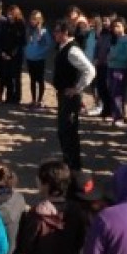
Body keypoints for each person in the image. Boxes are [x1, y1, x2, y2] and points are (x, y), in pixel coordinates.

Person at [50, 19, 96, 171]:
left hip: (70, 96)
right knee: (64, 131)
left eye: (57, 31)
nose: (54, 34)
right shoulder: (64, 47)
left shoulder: (72, 50)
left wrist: (77, 88)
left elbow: (90, 70)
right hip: (64, 94)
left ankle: (73, 165)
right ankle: (68, 161)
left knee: (68, 130)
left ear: (65, 33)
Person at [105, 18, 127, 127]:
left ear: (124, 27)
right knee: (112, 91)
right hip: (111, 67)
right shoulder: (115, 39)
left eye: (118, 26)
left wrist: (114, 57)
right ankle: (114, 114)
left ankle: (120, 116)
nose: (116, 29)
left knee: (118, 93)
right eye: (114, 27)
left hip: (120, 69)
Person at [0, 5, 27, 105]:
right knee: (7, 76)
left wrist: (11, 54)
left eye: (12, 14)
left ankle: (17, 98)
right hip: (5, 53)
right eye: (8, 13)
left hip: (16, 55)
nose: (10, 16)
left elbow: (21, 42)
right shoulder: (5, 24)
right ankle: (9, 96)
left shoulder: (20, 24)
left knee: (15, 77)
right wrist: (2, 51)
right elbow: (1, 38)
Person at [23, 10, 51, 109]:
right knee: (32, 80)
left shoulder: (44, 31)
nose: (32, 21)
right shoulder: (28, 30)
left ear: (40, 20)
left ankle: (40, 100)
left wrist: (39, 53)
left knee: (40, 80)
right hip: (30, 58)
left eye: (35, 19)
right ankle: (33, 100)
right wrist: (27, 51)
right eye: (31, 19)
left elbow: (48, 45)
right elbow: (26, 42)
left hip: (39, 59)